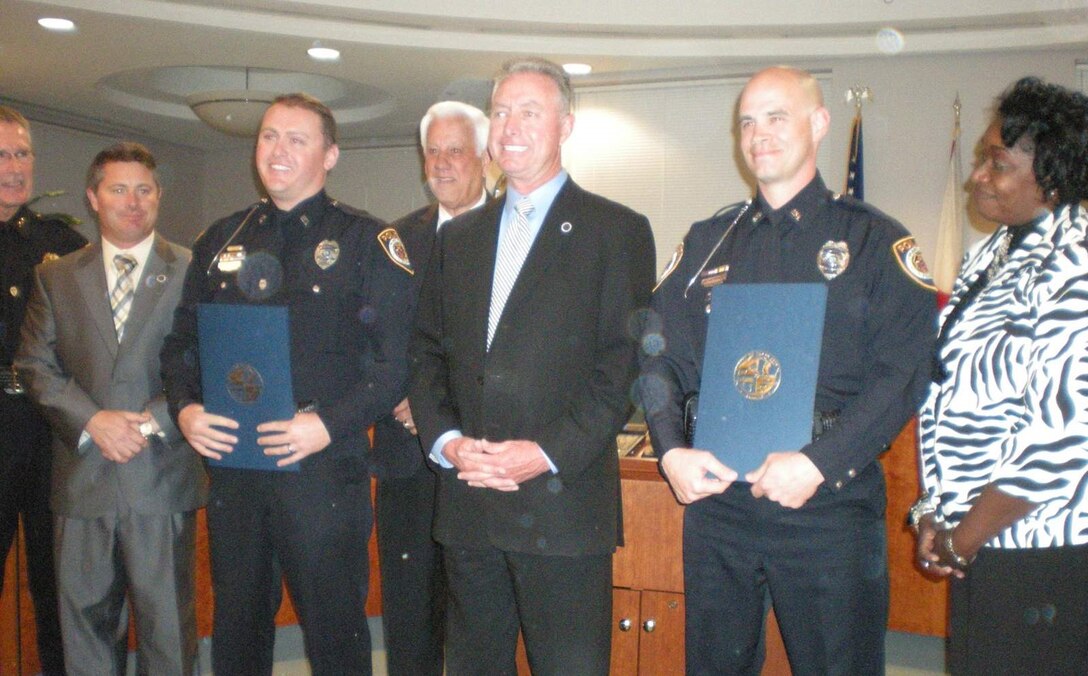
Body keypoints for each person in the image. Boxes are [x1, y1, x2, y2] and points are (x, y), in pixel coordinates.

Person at [638, 66, 935, 674]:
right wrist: (670, 451)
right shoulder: (707, 243)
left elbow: (905, 371)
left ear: (819, 123)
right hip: (719, 501)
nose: (759, 134)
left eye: (777, 117)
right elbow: (658, 357)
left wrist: (819, 464)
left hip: (827, 500)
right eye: (748, 121)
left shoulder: (875, 241)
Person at [409, 58, 655, 675]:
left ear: (565, 124)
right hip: (470, 503)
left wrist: (543, 452)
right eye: (500, 112)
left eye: (529, 112)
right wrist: (447, 441)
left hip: (562, 505)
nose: (510, 126)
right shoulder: (457, 238)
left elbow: (620, 369)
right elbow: (427, 352)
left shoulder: (616, 231)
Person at [160, 92, 413, 675]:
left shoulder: (366, 242)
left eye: (297, 139)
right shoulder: (221, 238)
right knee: (237, 632)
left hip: (323, 472)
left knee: (335, 636)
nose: (277, 150)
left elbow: (392, 366)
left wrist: (325, 425)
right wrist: (185, 411)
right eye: (269, 136)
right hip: (237, 471)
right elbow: (181, 348)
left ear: (330, 155)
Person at [912, 76, 1088, 675]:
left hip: (1042, 550)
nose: (977, 175)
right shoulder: (992, 255)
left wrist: (963, 540)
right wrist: (935, 515)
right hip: (983, 540)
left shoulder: (1075, 266)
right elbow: (948, 395)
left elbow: (1058, 442)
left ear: (1054, 180)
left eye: (998, 162)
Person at [16, 142, 206, 675]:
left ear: (159, 197)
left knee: (169, 635)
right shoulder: (54, 276)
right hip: (82, 484)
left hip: (161, 479)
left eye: (144, 190)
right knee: (85, 637)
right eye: (118, 189)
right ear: (93, 197)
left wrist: (151, 421)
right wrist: (92, 420)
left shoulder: (194, 271)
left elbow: (212, 365)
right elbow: (34, 365)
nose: (133, 201)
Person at [374, 100, 490, 676]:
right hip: (405, 460)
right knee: (411, 621)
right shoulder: (395, 240)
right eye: (433, 152)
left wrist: (440, 410)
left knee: (481, 623)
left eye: (456, 150)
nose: (442, 164)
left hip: (484, 459)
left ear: (485, 157)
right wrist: (407, 401)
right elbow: (375, 337)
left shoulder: (516, 233)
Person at [0, 104, 85, 676]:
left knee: (61, 590)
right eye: (1, 155)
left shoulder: (60, 243)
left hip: (48, 433)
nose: (14, 167)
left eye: (22, 153)